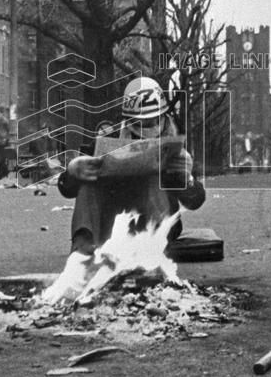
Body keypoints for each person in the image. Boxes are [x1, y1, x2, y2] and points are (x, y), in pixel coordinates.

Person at [46, 77, 205, 301]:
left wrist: (186, 177)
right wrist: (72, 171)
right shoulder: (107, 135)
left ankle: (150, 256)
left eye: (152, 121)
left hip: (155, 218)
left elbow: (195, 200)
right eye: (139, 123)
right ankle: (80, 256)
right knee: (89, 181)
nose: (147, 129)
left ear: (163, 116)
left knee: (153, 179)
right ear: (127, 119)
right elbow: (69, 189)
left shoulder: (174, 141)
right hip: (114, 218)